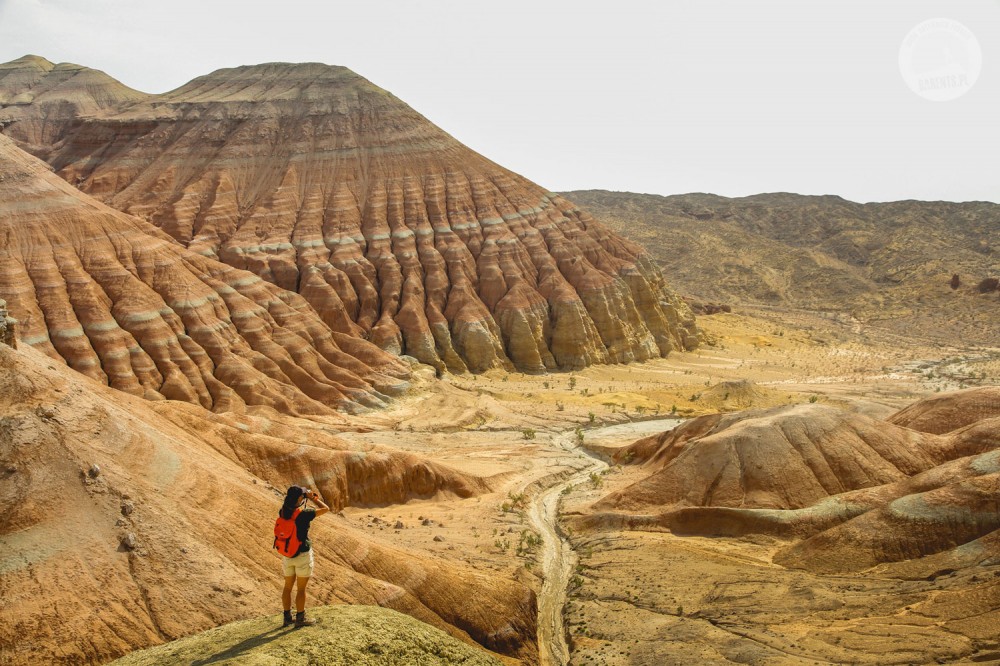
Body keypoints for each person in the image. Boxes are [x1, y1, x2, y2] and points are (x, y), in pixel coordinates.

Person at [278, 485, 329, 627]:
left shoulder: (283, 511)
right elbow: (326, 509)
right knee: (301, 589)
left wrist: (302, 496)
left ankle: (287, 617)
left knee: (287, 587)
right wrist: (313, 498)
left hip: (287, 554)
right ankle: (300, 619)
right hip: (302, 555)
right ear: (300, 498)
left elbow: (290, 505)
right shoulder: (304, 514)